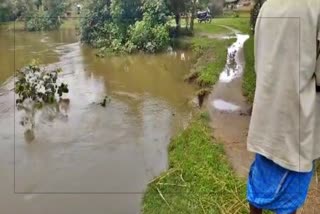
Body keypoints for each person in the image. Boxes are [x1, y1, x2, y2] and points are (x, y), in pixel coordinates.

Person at [246, 0, 320, 213]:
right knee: (291, 186)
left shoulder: (268, 5)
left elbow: (259, 58)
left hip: (267, 109)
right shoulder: (315, 6)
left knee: (260, 175)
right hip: (296, 116)